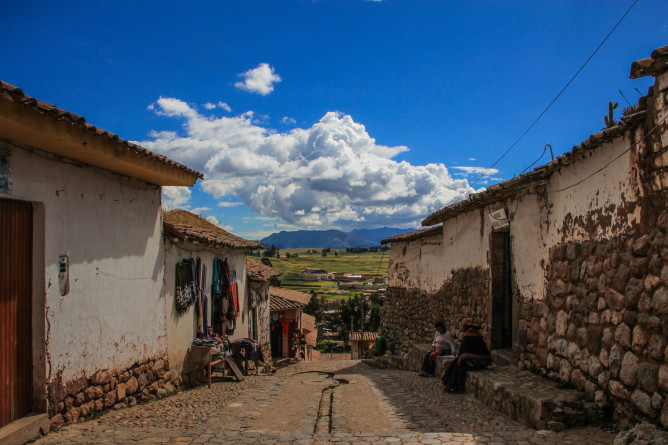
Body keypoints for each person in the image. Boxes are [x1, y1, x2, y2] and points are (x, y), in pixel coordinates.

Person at [442, 323, 492, 393]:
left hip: (478, 363)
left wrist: (468, 361)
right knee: (454, 365)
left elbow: (464, 354)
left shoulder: (468, 340)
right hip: (473, 361)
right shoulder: (476, 339)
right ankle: (450, 385)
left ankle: (458, 387)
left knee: (459, 369)